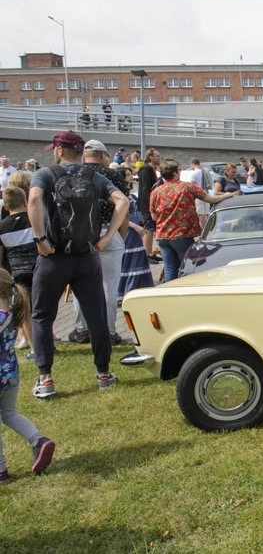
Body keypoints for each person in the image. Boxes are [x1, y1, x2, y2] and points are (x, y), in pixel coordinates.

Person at [28, 130, 130, 398]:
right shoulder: (93, 176)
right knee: (96, 316)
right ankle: (103, 374)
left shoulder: (46, 174)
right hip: (87, 256)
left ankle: (46, 379)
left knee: (42, 316)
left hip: (54, 256)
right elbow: (123, 201)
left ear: (60, 150)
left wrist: (40, 239)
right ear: (81, 151)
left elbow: (35, 199)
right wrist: (107, 238)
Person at [68, 140, 130, 346]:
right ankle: (110, 331)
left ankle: (81, 329)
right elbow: (124, 208)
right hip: (108, 230)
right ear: (103, 156)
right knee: (110, 285)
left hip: (82, 233)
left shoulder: (74, 174)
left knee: (79, 284)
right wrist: (119, 235)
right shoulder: (112, 175)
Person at [0, 268, 55, 484]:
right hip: (10, 374)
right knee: (9, 413)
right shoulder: (12, 313)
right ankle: (39, 441)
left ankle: (1, 471)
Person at [149, 159, 237, 282]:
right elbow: (210, 199)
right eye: (179, 170)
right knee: (185, 267)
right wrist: (227, 195)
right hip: (182, 234)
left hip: (162, 236)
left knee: (170, 268)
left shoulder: (156, 192)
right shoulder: (187, 187)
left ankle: (169, 294)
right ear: (174, 173)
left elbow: (153, 217)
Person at [0, 185, 37, 354]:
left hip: (18, 274)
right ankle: (46, 339)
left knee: (26, 311)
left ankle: (34, 347)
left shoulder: (2, 227)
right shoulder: (34, 219)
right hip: (40, 268)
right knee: (43, 308)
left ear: (6, 207)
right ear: (24, 201)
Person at [116, 166, 154, 302]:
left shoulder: (129, 193)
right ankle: (127, 290)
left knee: (137, 258)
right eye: (127, 175)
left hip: (134, 227)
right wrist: (135, 227)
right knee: (129, 258)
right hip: (128, 229)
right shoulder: (118, 194)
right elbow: (119, 217)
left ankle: (138, 289)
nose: (131, 177)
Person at [137, 148, 162, 263]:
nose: (159, 158)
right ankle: (146, 255)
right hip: (147, 205)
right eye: (157, 156)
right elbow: (146, 189)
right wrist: (152, 204)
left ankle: (150, 252)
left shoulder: (150, 170)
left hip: (150, 204)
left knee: (151, 229)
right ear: (150, 157)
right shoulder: (146, 170)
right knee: (149, 229)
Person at [180, 158, 212, 226]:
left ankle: (202, 230)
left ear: (192, 164)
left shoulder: (194, 173)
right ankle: (208, 228)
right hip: (206, 193)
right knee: (207, 213)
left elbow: (193, 186)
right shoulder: (205, 171)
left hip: (198, 195)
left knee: (201, 214)